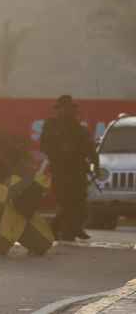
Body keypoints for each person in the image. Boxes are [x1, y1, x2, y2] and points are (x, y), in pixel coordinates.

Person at [39, 94, 98, 241]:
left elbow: (89, 148)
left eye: (70, 108)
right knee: (66, 202)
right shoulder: (51, 125)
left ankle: (72, 228)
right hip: (61, 170)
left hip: (77, 170)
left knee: (78, 201)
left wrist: (95, 163)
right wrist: (62, 149)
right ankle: (67, 231)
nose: (68, 111)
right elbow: (44, 146)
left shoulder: (79, 128)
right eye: (64, 108)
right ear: (59, 109)